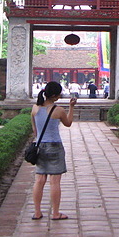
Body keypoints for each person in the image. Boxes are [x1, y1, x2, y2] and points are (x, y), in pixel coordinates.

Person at [31, 81, 76, 221]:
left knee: (39, 180)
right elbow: (68, 123)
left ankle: (37, 212)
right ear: (55, 95)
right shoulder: (58, 110)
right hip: (54, 146)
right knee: (55, 181)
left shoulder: (35, 108)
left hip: (39, 146)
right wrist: (71, 107)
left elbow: (35, 131)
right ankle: (55, 213)